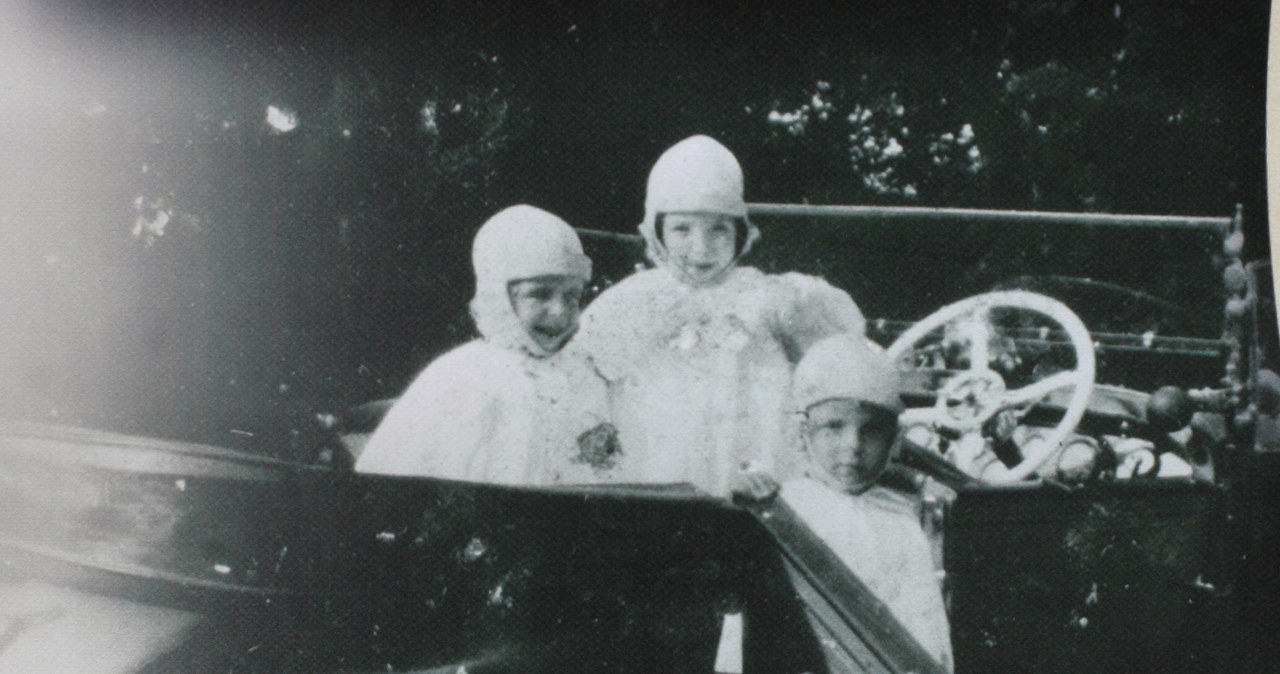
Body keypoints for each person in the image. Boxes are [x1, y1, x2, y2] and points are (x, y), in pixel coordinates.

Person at [574, 134, 866, 498]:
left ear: (739, 232)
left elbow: (836, 364)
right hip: (657, 468)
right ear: (657, 230)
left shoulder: (768, 299)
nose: (701, 247)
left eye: (718, 229)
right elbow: (583, 388)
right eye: (682, 229)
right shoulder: (627, 305)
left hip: (752, 473)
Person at [355, 205, 622, 485]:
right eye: (539, 295)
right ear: (499, 296)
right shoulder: (461, 376)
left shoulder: (587, 375)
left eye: (571, 296)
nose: (559, 312)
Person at [781, 333, 954, 670]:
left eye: (871, 431)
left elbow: (926, 630)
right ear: (803, 433)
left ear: (893, 441)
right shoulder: (786, 507)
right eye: (833, 427)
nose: (853, 445)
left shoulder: (903, 518)